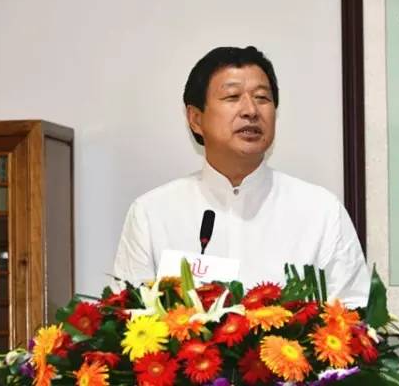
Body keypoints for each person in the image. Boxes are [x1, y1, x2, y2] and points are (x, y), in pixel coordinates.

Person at [113, 46, 370, 308]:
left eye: (262, 98)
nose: (251, 110)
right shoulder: (152, 213)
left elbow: (355, 314)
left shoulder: (321, 211)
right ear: (196, 119)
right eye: (232, 96)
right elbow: (127, 316)